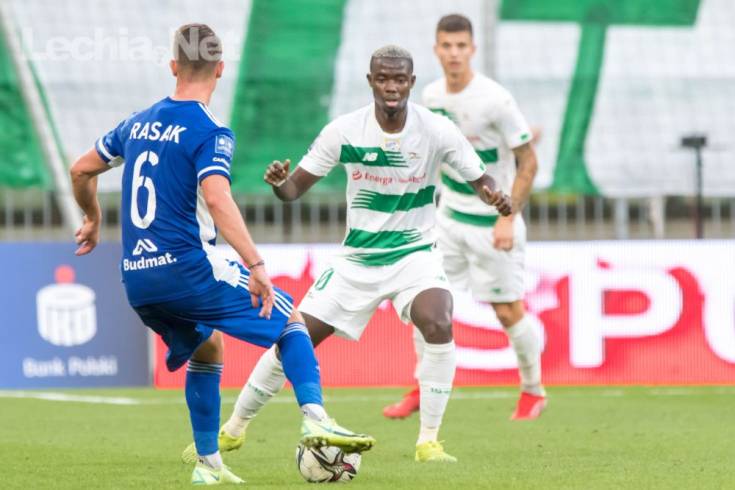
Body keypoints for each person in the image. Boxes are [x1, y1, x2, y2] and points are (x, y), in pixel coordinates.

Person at [69, 23, 374, 486]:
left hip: (137, 277)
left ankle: (208, 465)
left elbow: (80, 169)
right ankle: (316, 419)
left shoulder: (136, 123)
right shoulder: (210, 131)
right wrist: (256, 265)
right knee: (290, 321)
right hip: (187, 268)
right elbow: (217, 198)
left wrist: (92, 218)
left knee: (209, 345)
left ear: (173, 66)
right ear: (221, 69)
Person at [199, 44, 512, 464]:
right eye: (383, 78)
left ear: (411, 82)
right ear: (370, 82)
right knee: (294, 336)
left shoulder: (436, 130)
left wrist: (494, 194)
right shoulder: (344, 131)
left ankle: (429, 442)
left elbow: (481, 178)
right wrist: (279, 183)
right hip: (356, 260)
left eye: (399, 79)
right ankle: (235, 428)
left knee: (438, 320)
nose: (391, 87)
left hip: (414, 255)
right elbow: (293, 190)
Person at [382, 14, 545, 422]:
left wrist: (508, 217)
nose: (454, 53)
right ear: (436, 50)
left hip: (493, 224)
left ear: (472, 49)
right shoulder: (431, 96)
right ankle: (422, 385)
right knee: (425, 305)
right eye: (446, 46)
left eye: (460, 46)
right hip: (448, 220)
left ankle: (533, 390)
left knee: (507, 311)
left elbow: (529, 162)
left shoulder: (496, 100)